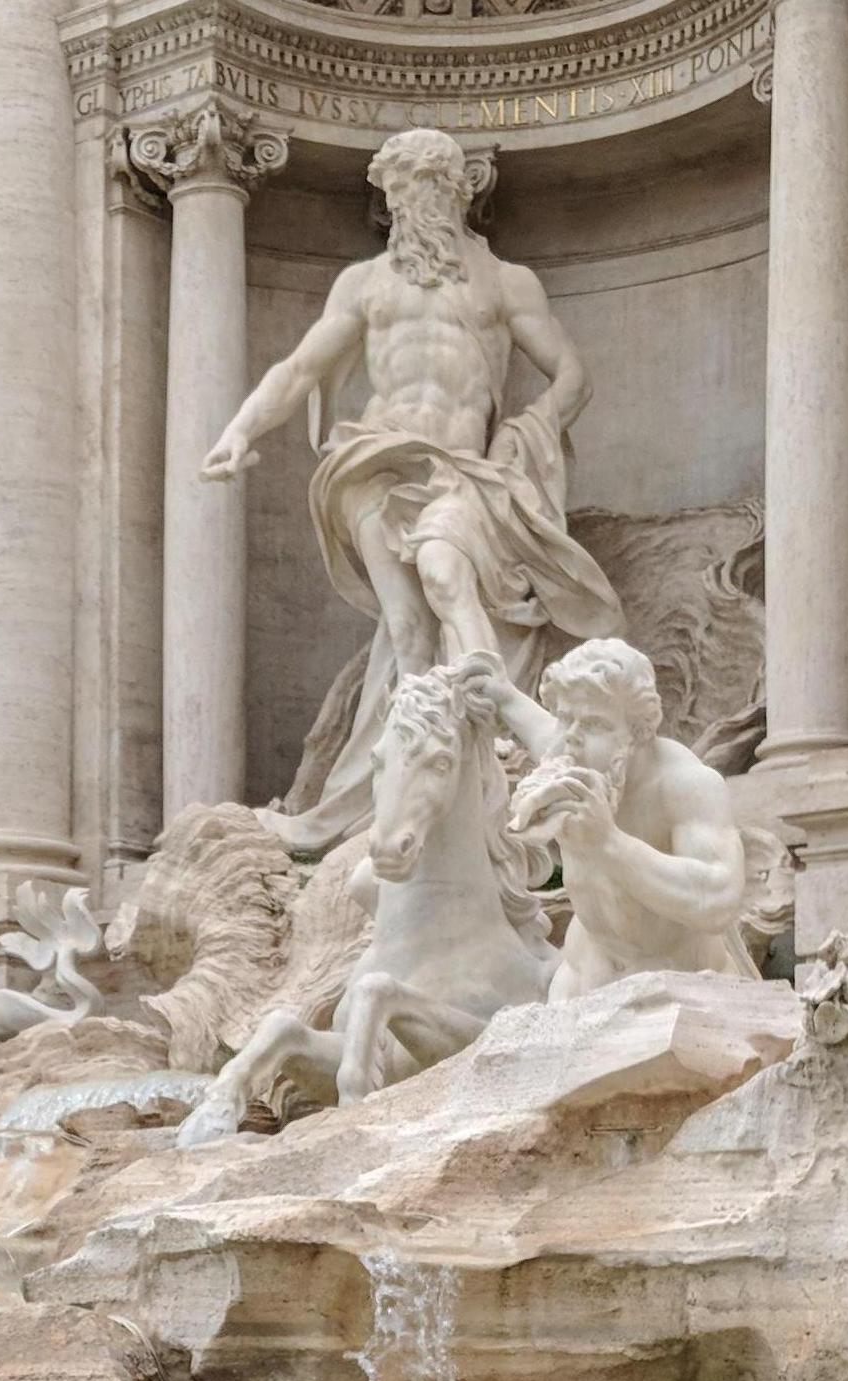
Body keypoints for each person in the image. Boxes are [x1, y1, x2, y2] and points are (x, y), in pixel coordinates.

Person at [204, 128, 625, 856]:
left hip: (459, 470)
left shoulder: (503, 281)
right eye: (400, 189)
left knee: (443, 572)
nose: (411, 203)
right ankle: (380, 795)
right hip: (372, 461)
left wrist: (522, 436)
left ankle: (496, 749)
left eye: (426, 186)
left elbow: (572, 376)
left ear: (456, 192)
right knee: (404, 628)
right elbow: (300, 369)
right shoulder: (364, 284)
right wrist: (240, 429)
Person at [470, 640, 759, 999]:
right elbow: (546, 730)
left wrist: (607, 842)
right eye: (565, 718)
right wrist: (501, 693)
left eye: (593, 724)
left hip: (679, 985)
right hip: (580, 979)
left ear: (638, 733)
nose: (571, 739)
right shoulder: (574, 751)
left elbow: (717, 900)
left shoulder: (685, 785)